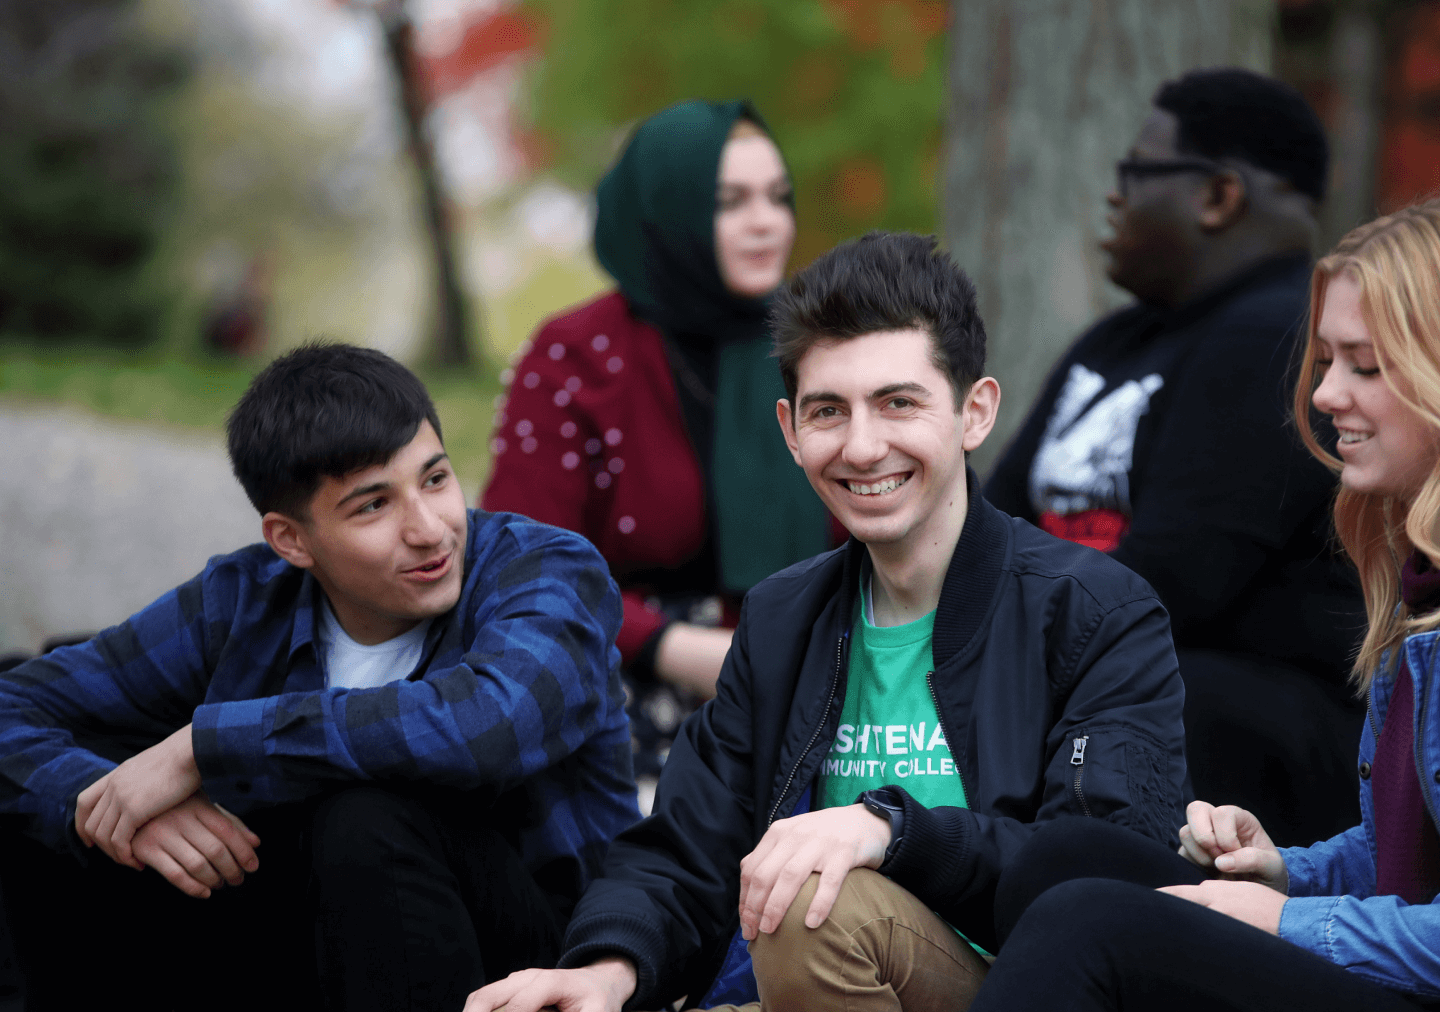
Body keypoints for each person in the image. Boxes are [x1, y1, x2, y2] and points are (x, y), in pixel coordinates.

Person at [464, 232, 1188, 1012]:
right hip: (810, 992)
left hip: (1031, 986)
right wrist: (606, 972)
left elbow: (1113, 870)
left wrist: (893, 832)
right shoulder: (783, 618)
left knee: (816, 900)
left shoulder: (1093, 608)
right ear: (789, 430)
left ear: (974, 412)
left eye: (898, 403)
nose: (862, 446)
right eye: (828, 412)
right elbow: (687, 846)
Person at [0, 343, 638, 1012]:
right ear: (291, 540)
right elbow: (16, 703)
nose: (429, 530)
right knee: (53, 817)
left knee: (367, 817)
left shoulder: (544, 570)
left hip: (535, 963)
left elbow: (491, 722)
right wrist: (104, 808)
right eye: (373, 506)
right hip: (316, 943)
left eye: (436, 479)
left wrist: (203, 746)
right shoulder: (244, 599)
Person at [968, 199, 1440, 1012]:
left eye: (1365, 365)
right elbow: (1404, 856)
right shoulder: (1417, 582)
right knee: (1068, 859)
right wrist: (1285, 870)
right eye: (1325, 360)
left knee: (1094, 926)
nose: (1325, 394)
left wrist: (1288, 921)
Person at [984, 67, 1366, 846]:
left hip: (1254, 739)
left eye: (1137, 171)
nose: (1114, 194)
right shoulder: (1116, 340)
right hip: (1096, 684)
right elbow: (989, 521)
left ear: (1218, 196)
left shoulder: (1283, 339)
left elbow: (1168, 585)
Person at [481, 100, 832, 782]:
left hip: (813, 664)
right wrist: (673, 646)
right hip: (622, 675)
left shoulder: (823, 345)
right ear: (669, 208)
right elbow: (521, 559)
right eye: (730, 201)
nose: (766, 222)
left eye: (777, 197)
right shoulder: (576, 357)